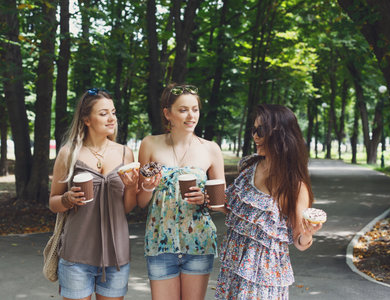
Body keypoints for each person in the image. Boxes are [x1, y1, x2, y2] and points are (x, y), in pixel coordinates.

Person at [214, 104, 323, 299]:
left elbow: (300, 241)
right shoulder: (249, 167)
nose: (255, 136)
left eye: (261, 130)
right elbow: (234, 211)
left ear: (280, 135)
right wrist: (206, 199)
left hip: (265, 278)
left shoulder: (295, 186)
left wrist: (307, 233)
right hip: (234, 269)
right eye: (254, 130)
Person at [137, 83, 225, 300]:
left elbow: (221, 203)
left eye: (195, 109)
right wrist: (148, 187)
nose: (191, 115)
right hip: (159, 242)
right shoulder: (149, 144)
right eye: (183, 110)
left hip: (198, 241)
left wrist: (205, 199)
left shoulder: (211, 149)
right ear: (168, 113)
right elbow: (141, 202)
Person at [49, 88, 139, 300]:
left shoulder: (125, 153)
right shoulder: (68, 153)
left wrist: (132, 187)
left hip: (116, 257)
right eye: (103, 113)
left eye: (114, 112)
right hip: (76, 256)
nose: (111, 118)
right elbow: (53, 202)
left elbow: (126, 208)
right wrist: (66, 199)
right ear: (86, 119)